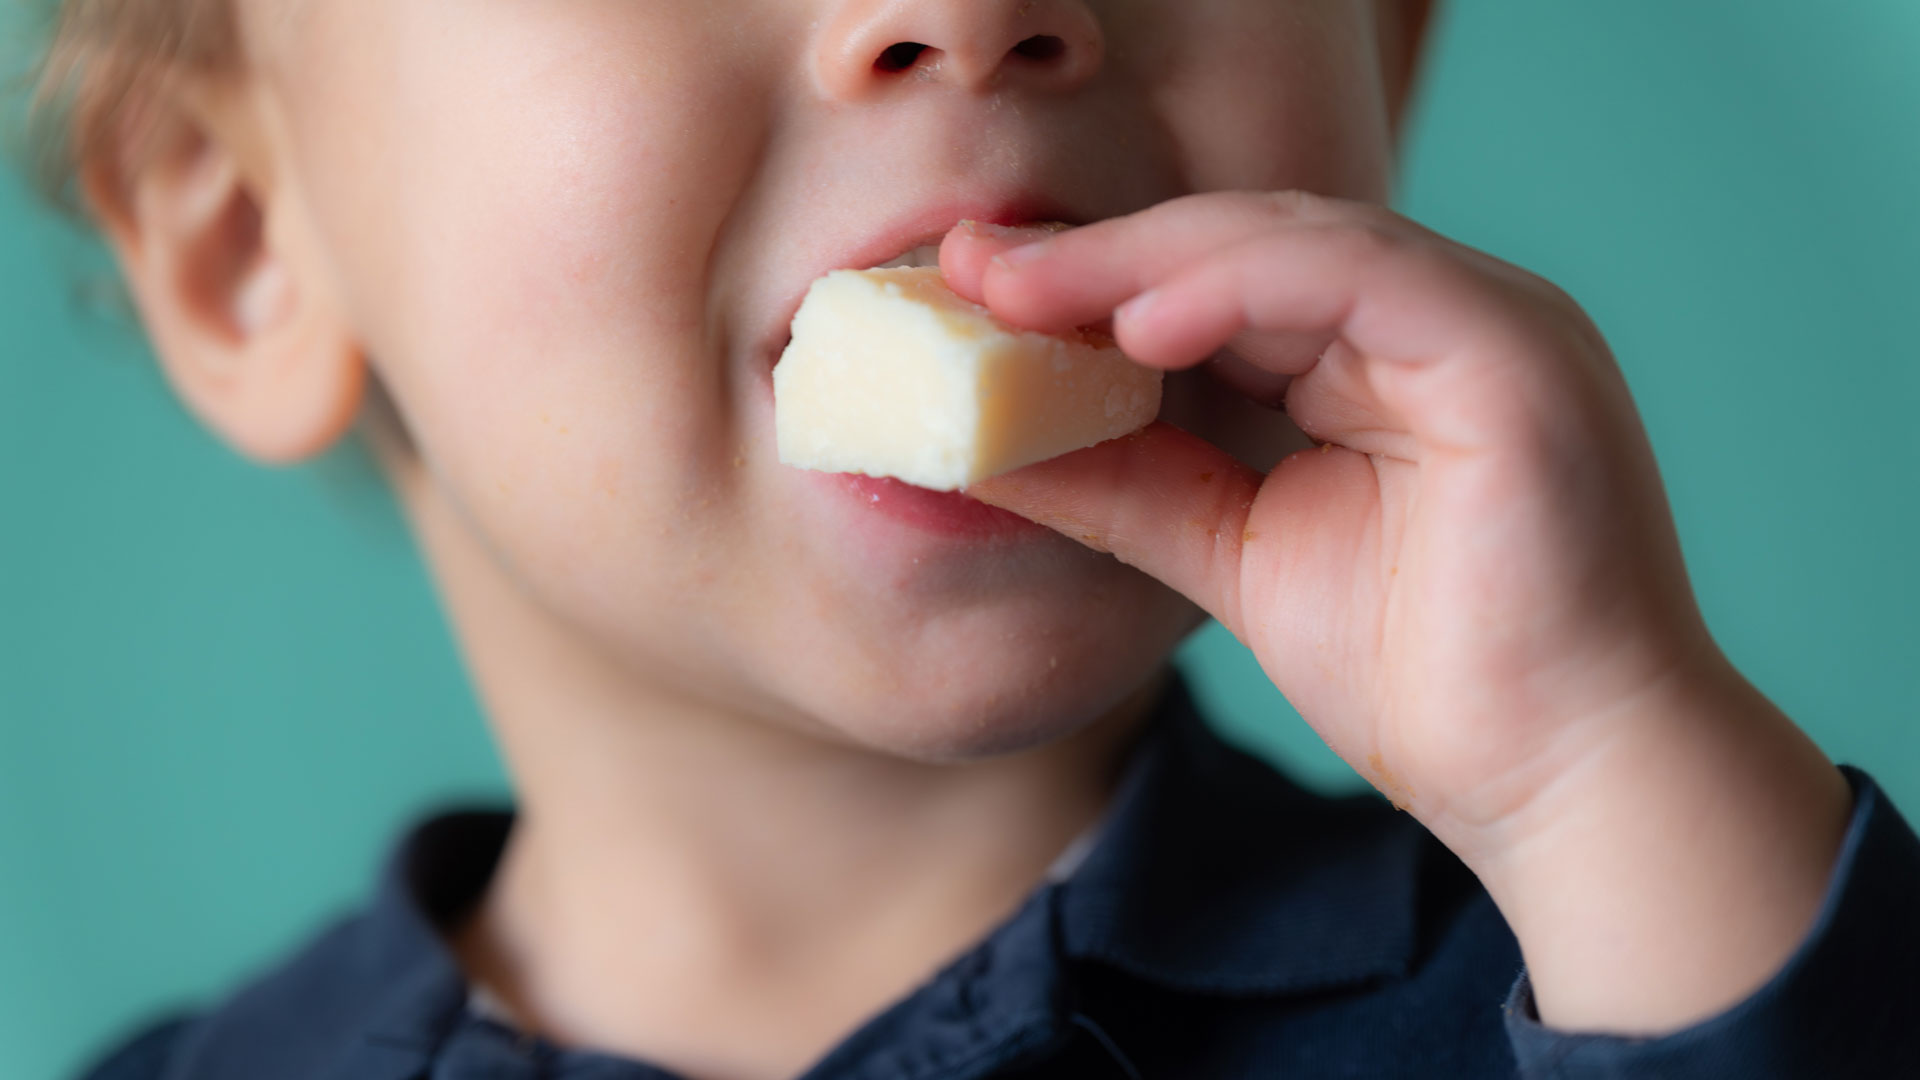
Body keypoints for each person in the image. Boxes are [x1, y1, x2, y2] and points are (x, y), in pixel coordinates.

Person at [26, 1, 1917, 1077]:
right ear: (246, 244)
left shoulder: (1616, 980)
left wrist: (1604, 777)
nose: (973, 1)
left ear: (1384, 67)